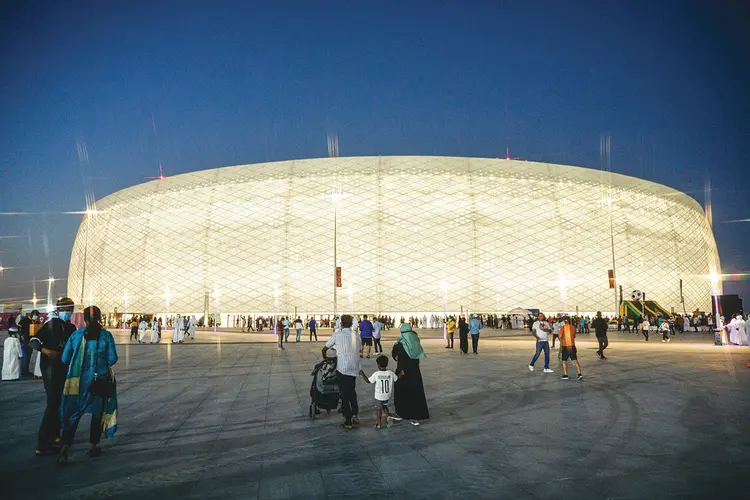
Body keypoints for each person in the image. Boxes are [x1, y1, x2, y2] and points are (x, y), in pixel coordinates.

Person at [58, 306, 118, 465]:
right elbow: (112, 359)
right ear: (100, 318)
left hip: (77, 384)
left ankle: (64, 449)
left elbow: (64, 359)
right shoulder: (105, 336)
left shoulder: (76, 335)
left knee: (73, 416)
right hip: (97, 383)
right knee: (97, 415)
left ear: (84, 319)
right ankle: (92, 446)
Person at [33, 297, 77, 456]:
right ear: (59, 310)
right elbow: (33, 341)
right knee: (52, 404)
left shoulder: (71, 328)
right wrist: (46, 351)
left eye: (70, 310)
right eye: (65, 309)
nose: (67, 312)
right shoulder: (50, 325)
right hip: (50, 370)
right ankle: (42, 443)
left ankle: (55, 435)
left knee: (60, 402)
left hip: (63, 369)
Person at [322, 314, 361, 429]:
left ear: (342, 323)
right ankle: (355, 415)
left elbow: (324, 348)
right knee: (352, 392)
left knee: (344, 395)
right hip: (354, 368)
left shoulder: (337, 334)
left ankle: (348, 421)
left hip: (343, 369)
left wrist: (325, 358)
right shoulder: (356, 336)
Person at [391, 324, 429, 426]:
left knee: (402, 392)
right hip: (415, 372)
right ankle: (416, 416)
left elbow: (394, 356)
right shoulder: (416, 341)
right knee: (415, 393)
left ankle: (403, 413)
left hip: (402, 372)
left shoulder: (399, 344)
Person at [359, 355, 401, 429]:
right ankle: (388, 417)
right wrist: (401, 373)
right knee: (384, 405)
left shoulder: (376, 374)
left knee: (379, 409)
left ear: (378, 365)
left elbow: (368, 381)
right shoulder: (390, 373)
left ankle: (378, 424)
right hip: (387, 395)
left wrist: (362, 374)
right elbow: (396, 378)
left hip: (379, 396)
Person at [17, 310, 40, 377]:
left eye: (37, 315)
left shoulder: (36, 322)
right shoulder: (25, 320)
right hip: (25, 341)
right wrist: (21, 335)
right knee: (25, 356)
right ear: (32, 314)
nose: (36, 317)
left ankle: (26, 371)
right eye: (36, 315)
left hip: (32, 341)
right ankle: (23, 372)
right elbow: (19, 328)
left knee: (29, 356)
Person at [559, 316, 583, 381]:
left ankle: (565, 375)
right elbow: (574, 336)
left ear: (564, 321)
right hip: (572, 346)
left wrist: (561, 341)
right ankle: (579, 374)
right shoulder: (573, 327)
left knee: (564, 361)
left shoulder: (562, 328)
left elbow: (560, 336)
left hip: (565, 346)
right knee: (575, 360)